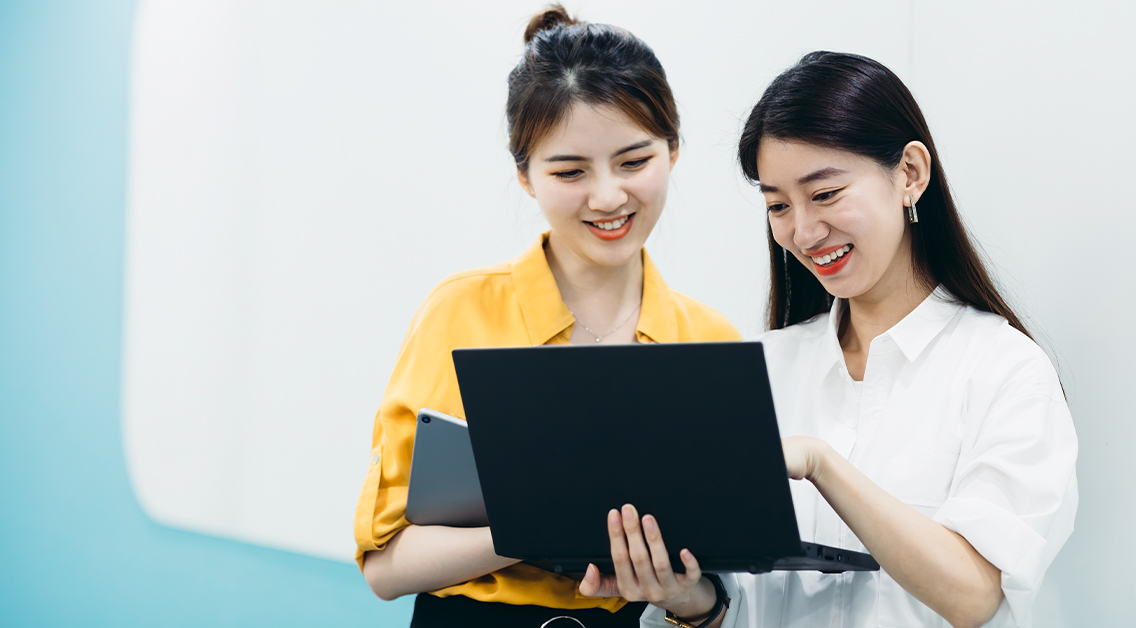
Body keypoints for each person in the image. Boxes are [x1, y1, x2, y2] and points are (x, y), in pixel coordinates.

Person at [578, 51, 1078, 628]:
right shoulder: (763, 367)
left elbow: (974, 596)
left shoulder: (1005, 369)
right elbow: (736, 604)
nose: (804, 231)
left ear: (910, 173)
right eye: (778, 206)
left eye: (826, 194)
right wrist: (690, 601)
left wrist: (821, 463)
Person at [353, 5, 741, 627]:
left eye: (635, 162)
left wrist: (686, 597)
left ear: (673, 151)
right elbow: (385, 568)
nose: (609, 196)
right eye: (569, 171)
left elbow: (715, 590)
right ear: (526, 177)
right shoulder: (460, 312)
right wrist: (539, 524)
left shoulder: (710, 342)